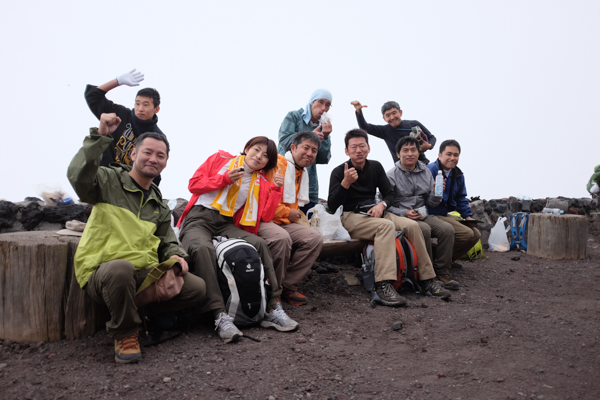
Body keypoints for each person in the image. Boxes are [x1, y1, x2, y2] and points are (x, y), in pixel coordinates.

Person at [67, 113, 207, 364]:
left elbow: (167, 241)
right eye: (147, 152)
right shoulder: (109, 180)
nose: (153, 159)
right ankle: (125, 332)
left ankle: (134, 310)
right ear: (133, 154)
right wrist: (100, 137)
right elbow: (78, 178)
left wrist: (176, 255)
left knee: (196, 288)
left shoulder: (159, 205)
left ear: (165, 163)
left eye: (160, 156)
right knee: (121, 269)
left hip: (143, 274)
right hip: (104, 271)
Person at [177, 137, 299, 344]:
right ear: (246, 148)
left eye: (265, 156)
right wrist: (224, 179)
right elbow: (193, 185)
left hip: (226, 223)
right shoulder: (221, 159)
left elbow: (266, 217)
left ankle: (272, 305)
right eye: (256, 150)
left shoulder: (260, 181)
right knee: (203, 249)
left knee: (259, 243)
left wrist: (276, 189)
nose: (258, 157)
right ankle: (219, 314)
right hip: (199, 217)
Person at [328, 129, 450, 306]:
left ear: (368, 148)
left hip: (376, 212)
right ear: (346, 151)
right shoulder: (339, 172)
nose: (358, 150)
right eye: (353, 147)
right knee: (385, 227)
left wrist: (382, 204)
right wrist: (345, 184)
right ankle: (383, 285)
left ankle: (427, 280)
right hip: (351, 216)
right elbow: (332, 206)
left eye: (362, 146)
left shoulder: (376, 167)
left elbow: (389, 194)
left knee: (413, 226)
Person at [258, 131, 324, 306]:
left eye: (314, 150)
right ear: (293, 148)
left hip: (282, 222)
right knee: (282, 238)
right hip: (263, 220)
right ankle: (273, 291)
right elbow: (263, 199)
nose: (309, 153)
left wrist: (289, 214)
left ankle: (288, 285)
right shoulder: (278, 164)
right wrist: (287, 213)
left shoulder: (301, 171)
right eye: (306, 148)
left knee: (314, 238)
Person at [386, 136, 459, 290]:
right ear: (398, 154)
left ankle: (442, 273)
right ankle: (425, 274)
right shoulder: (391, 175)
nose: (410, 153)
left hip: (423, 214)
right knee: (424, 230)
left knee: (447, 230)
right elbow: (384, 204)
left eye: (413, 150)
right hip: (403, 216)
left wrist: (436, 193)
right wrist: (404, 213)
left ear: (419, 153)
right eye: (405, 150)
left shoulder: (425, 172)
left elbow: (431, 202)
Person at [85, 69, 163, 173]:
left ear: (156, 109)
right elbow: (92, 96)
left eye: (145, 104)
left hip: (124, 185)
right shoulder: (121, 114)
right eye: (137, 103)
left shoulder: (157, 137)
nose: (140, 108)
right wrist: (118, 81)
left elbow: (154, 171)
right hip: (101, 174)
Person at [426, 139, 481, 272]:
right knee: (467, 234)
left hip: (444, 214)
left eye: (456, 155)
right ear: (439, 155)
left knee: (476, 234)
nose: (452, 158)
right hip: (430, 213)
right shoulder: (430, 170)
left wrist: (468, 217)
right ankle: (438, 261)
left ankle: (447, 258)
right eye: (449, 154)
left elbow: (461, 198)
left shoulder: (457, 174)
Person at [278, 89, 333, 213]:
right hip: (284, 177)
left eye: (328, 105)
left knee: (308, 222)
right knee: (282, 215)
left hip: (308, 186)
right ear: (312, 102)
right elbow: (284, 140)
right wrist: (309, 136)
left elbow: (323, 159)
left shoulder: (323, 126)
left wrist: (325, 137)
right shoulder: (294, 116)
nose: (324, 108)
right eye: (320, 102)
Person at [351, 100, 436, 164]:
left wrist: (429, 145)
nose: (392, 117)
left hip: (422, 164)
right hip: (402, 171)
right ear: (384, 118)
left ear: (400, 113)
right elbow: (365, 127)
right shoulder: (385, 131)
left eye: (394, 113)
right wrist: (359, 111)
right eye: (388, 115)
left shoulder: (414, 124)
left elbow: (432, 137)